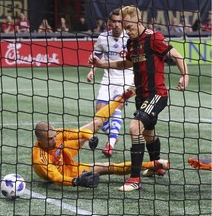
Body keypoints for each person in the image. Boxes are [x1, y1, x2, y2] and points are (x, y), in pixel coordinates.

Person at [89, 5, 189, 192]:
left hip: (157, 94)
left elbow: (176, 56)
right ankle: (156, 165)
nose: (127, 31)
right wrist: (101, 64)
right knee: (148, 133)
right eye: (125, 27)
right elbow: (126, 63)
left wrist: (185, 75)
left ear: (138, 21)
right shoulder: (131, 43)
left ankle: (134, 179)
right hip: (141, 95)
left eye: (129, 27)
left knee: (135, 127)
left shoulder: (153, 38)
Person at [32, 89, 170, 188]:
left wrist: (90, 137)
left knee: (97, 123)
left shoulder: (56, 134)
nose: (54, 139)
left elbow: (78, 133)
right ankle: (153, 164)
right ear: (40, 141)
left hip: (65, 152)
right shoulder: (40, 159)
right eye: (50, 139)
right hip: (64, 171)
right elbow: (56, 178)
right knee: (105, 168)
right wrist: (76, 181)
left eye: (54, 136)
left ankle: (121, 98)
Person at [86, 8, 134, 157]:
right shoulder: (102, 38)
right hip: (108, 78)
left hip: (126, 78)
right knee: (99, 113)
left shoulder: (130, 37)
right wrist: (92, 71)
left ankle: (110, 144)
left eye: (120, 21)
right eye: (114, 21)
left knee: (117, 106)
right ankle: (113, 136)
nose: (117, 24)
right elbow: (96, 57)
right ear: (110, 23)